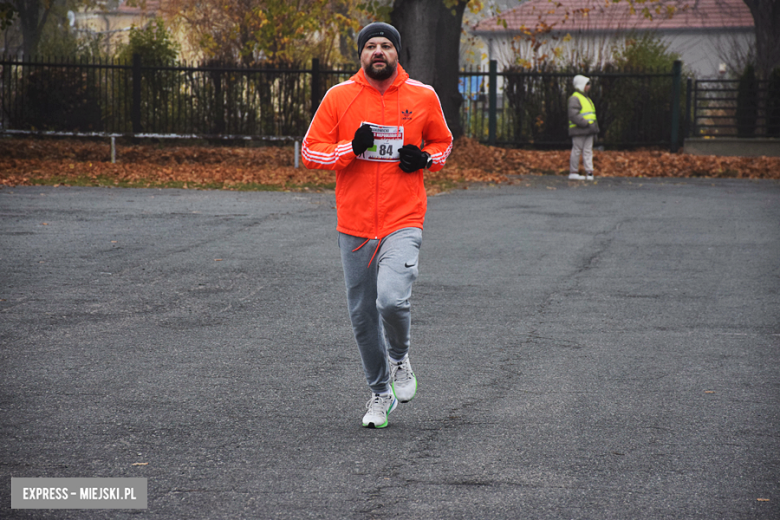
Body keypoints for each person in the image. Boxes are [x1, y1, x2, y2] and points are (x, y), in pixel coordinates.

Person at [302, 22, 453, 428]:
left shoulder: (422, 96)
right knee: (362, 315)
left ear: (398, 52)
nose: (379, 51)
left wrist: (424, 160)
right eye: (371, 46)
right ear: (361, 54)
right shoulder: (339, 97)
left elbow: (443, 144)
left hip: (403, 219)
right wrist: (350, 148)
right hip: (354, 224)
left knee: (391, 300)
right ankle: (379, 393)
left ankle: (400, 358)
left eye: (386, 45)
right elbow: (310, 152)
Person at [568, 74, 599, 180]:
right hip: (581, 129)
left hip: (588, 129)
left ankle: (589, 172)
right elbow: (573, 115)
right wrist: (586, 124)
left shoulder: (585, 98)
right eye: (587, 84)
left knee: (587, 150)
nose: (589, 86)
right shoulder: (575, 98)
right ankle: (573, 172)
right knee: (578, 149)